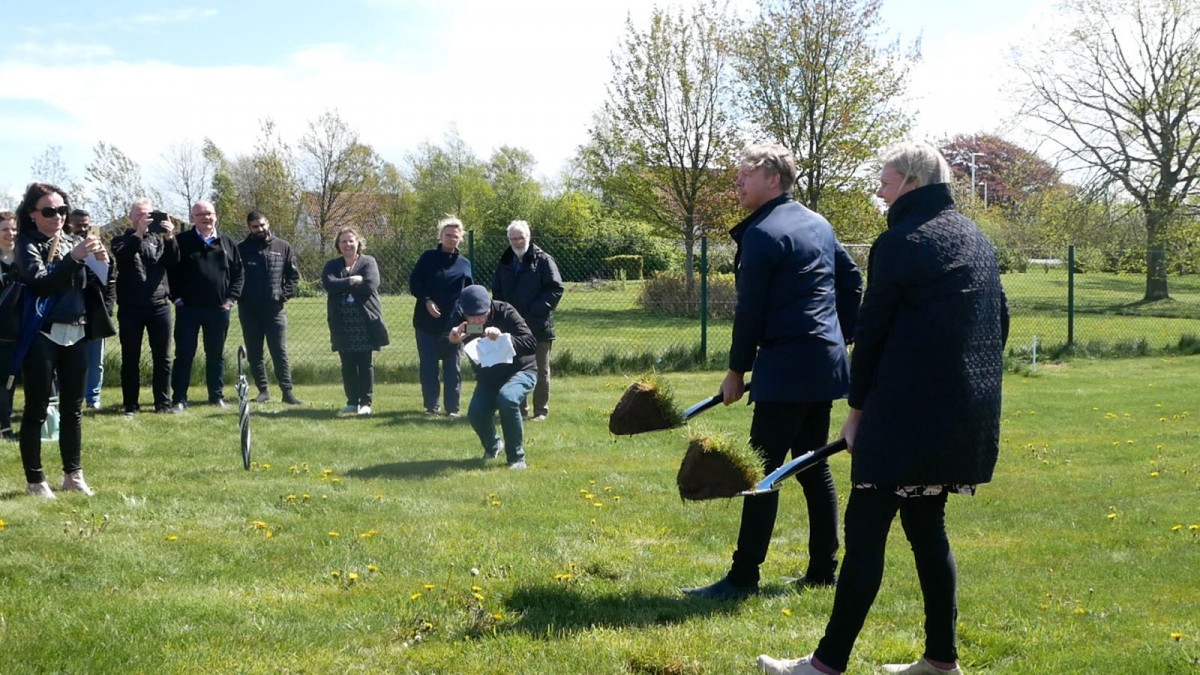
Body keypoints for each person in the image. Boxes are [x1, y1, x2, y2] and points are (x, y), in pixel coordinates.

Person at [755, 143, 1009, 675]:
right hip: (960, 416)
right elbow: (999, 323)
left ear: (912, 183)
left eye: (886, 181)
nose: (878, 190)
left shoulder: (901, 241)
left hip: (903, 419)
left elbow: (871, 337)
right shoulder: (974, 237)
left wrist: (856, 412)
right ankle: (941, 661)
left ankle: (824, 665)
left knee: (867, 530)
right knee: (925, 525)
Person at [683, 143, 861, 600]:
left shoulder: (764, 233)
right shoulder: (818, 223)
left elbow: (751, 312)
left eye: (746, 174)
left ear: (774, 179)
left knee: (762, 471)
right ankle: (824, 570)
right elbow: (853, 280)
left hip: (788, 365)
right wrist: (841, 336)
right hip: (822, 363)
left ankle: (743, 577)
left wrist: (735, 371)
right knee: (809, 463)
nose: (737, 181)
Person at [14, 183, 115, 498]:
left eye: (61, 210)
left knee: (73, 409)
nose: (57, 216)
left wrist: (103, 261)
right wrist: (74, 258)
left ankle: (73, 475)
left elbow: (97, 282)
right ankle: (35, 480)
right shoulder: (27, 244)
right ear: (33, 214)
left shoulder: (75, 240)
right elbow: (41, 282)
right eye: (48, 211)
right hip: (42, 333)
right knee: (37, 409)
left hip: (78, 330)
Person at [445, 285, 537, 470]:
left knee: (508, 398)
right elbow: (441, 346)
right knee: (476, 413)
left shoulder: (505, 311)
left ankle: (516, 458)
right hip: (489, 377)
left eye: (483, 314)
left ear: (489, 306)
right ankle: (493, 445)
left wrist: (505, 338)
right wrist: (452, 339)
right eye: (473, 316)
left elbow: (531, 342)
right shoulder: (461, 320)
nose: (479, 319)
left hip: (521, 371)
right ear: (463, 311)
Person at [165, 200, 244, 411]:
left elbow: (238, 275)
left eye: (209, 214)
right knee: (184, 354)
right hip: (188, 309)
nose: (206, 218)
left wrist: (230, 300)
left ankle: (216, 396)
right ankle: (179, 399)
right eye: (200, 215)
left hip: (218, 310)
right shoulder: (181, 241)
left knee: (215, 354)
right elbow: (169, 273)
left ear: (216, 216)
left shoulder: (227, 243)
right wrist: (177, 299)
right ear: (193, 219)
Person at [491, 220, 563, 421]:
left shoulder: (543, 260)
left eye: (520, 237)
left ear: (528, 237)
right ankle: (518, 410)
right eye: (512, 238)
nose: (516, 242)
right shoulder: (505, 261)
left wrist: (534, 312)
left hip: (538, 325)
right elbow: (496, 291)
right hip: (512, 328)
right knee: (515, 369)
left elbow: (556, 289)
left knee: (541, 370)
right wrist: (504, 316)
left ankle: (540, 411)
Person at [111, 199, 179, 415]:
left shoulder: (158, 241)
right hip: (131, 306)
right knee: (130, 357)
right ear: (130, 217)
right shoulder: (120, 240)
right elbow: (123, 258)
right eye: (140, 215)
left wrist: (169, 238)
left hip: (159, 305)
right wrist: (138, 234)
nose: (145, 219)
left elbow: (173, 261)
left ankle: (163, 403)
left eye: (149, 215)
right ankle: (130, 404)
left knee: (163, 357)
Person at [409, 216, 472, 417]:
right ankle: (431, 407)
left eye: (455, 235)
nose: (451, 238)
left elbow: (469, 292)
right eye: (447, 235)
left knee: (453, 367)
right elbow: (414, 283)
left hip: (453, 324)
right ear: (440, 236)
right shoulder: (428, 258)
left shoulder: (464, 264)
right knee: (428, 366)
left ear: (460, 238)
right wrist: (427, 300)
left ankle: (452, 408)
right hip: (426, 322)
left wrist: (466, 319)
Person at [237, 211, 302, 405]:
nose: (260, 229)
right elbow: (234, 277)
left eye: (262, 225)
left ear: (268, 223)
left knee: (279, 351)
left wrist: (284, 294)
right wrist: (241, 297)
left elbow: (293, 276)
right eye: (255, 227)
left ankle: (287, 392)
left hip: (275, 309)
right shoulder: (241, 249)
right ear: (249, 228)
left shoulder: (283, 247)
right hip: (249, 310)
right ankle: (263, 390)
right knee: (255, 352)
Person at [322, 227, 388, 415]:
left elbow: (370, 284)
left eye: (351, 240)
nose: (347, 244)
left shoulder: (368, 262)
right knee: (347, 364)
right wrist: (352, 281)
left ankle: (366, 403)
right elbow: (328, 284)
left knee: (364, 362)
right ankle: (351, 402)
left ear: (358, 243)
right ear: (338, 245)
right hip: (341, 323)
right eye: (343, 241)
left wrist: (342, 286)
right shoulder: (332, 265)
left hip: (365, 322)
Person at [68, 209, 113, 410]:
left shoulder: (99, 247)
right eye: (78, 224)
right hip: (69, 310)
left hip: (95, 310)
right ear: (69, 224)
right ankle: (64, 396)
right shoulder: (63, 247)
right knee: (67, 359)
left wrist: (108, 308)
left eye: (86, 225)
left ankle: (93, 398)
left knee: (95, 359)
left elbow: (110, 280)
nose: (83, 229)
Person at [0, 211, 18, 439]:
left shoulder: (24, 257)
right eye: (5, 228)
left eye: (14, 229)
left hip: (22, 328)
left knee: (10, 380)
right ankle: (4, 426)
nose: (10, 233)